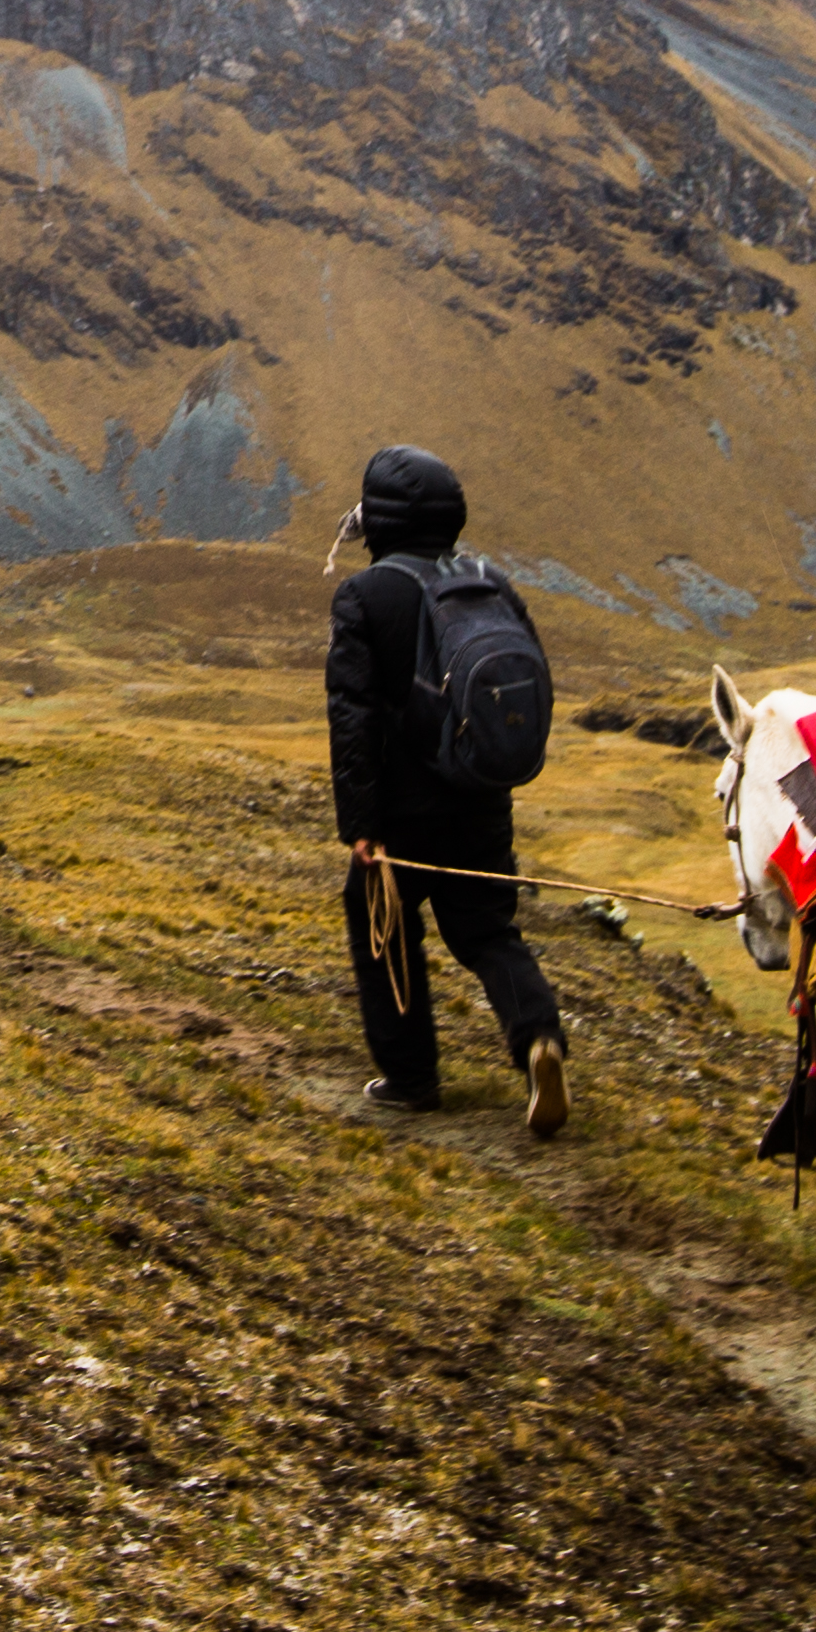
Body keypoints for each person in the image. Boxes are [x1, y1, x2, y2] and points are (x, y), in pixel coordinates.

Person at [323, 444, 571, 1138]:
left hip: (402, 812)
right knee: (488, 931)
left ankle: (411, 1078)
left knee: (381, 922)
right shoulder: (489, 582)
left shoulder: (364, 596)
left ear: (380, 518)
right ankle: (538, 1040)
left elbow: (353, 717)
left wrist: (360, 824)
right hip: (481, 795)